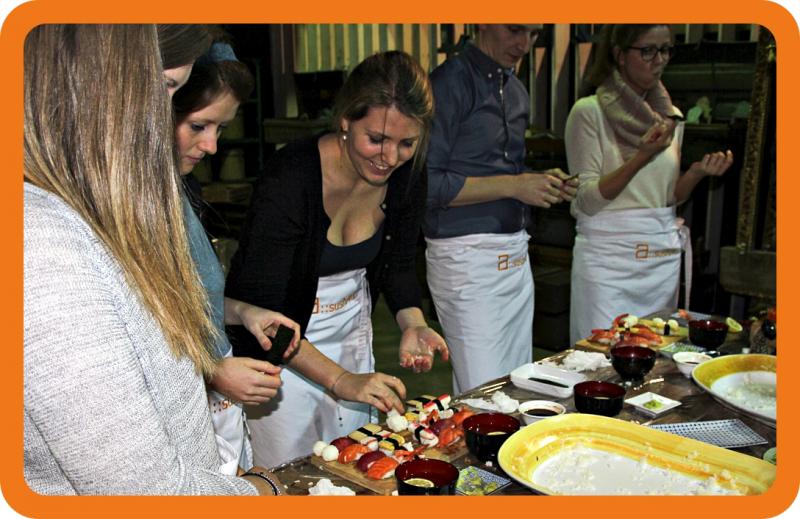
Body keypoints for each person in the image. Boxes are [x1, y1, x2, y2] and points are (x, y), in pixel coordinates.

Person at [23, 24, 280, 495]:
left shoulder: (116, 202)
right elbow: (145, 490)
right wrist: (265, 491)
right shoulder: (42, 244)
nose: (162, 119)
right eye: (165, 87)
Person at [225, 51, 449, 468]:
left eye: (407, 143)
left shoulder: (408, 172)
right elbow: (266, 312)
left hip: (349, 335)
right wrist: (340, 380)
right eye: (376, 139)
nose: (390, 157)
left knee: (351, 461)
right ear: (346, 119)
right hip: (278, 353)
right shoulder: (291, 177)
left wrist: (413, 322)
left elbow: (399, 262)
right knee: (291, 471)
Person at [423, 25, 577, 395]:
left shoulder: (517, 90)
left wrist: (539, 181)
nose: (524, 44)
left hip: (515, 255)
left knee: (517, 384)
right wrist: (515, 185)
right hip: (466, 259)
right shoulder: (448, 83)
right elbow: (426, 185)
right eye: (514, 28)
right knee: (484, 393)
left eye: (534, 34)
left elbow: (502, 172)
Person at [172, 40, 301, 474]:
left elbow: (189, 300)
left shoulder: (182, 186)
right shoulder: (136, 207)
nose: (211, 145)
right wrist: (211, 370)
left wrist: (242, 312)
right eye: (198, 126)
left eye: (221, 129)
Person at [565, 24, 733, 343]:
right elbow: (587, 200)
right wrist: (641, 156)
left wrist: (696, 173)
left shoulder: (670, 117)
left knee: (657, 353)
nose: (660, 60)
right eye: (648, 51)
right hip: (608, 264)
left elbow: (667, 198)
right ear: (619, 54)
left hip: (659, 261)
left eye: (665, 49)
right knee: (602, 356)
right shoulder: (589, 113)